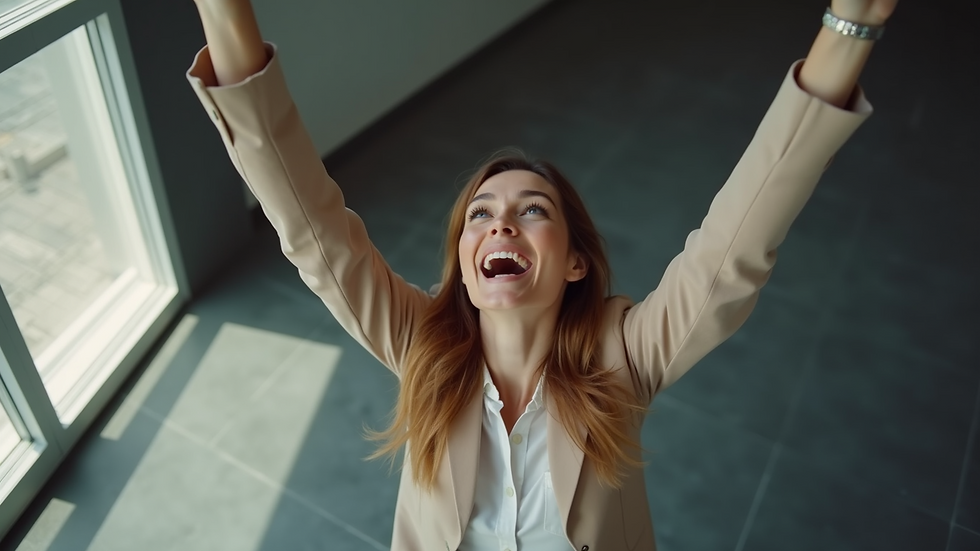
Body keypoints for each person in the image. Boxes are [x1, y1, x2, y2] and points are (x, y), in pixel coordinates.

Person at [186, 0, 893, 549]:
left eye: (532, 210)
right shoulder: (419, 343)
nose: (501, 224)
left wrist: (851, 22)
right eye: (480, 215)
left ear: (576, 260)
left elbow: (733, 245)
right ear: (465, 268)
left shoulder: (626, 359)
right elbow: (312, 226)